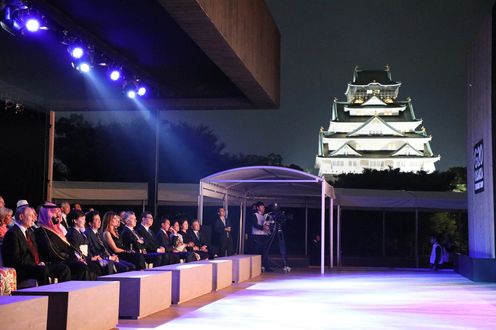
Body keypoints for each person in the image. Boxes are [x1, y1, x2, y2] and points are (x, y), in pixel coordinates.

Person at [2, 206, 71, 285]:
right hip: (22, 269)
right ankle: (45, 296)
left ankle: (62, 295)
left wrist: (41, 262)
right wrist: (35, 265)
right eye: (31, 216)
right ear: (21, 217)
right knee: (42, 270)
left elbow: (36, 252)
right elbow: (14, 260)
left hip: (35, 267)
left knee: (63, 268)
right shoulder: (12, 234)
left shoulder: (30, 232)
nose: (33, 218)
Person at [34, 202, 94, 280]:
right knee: (80, 267)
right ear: (47, 214)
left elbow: (69, 247)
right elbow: (52, 251)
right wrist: (72, 258)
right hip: (55, 261)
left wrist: (78, 257)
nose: (58, 216)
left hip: (65, 259)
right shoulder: (41, 231)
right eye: (54, 213)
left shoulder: (58, 230)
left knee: (87, 265)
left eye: (58, 213)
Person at [66, 210, 112, 276]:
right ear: (75, 220)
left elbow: (88, 249)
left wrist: (94, 257)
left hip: (86, 258)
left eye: (84, 219)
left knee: (103, 265)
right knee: (95, 268)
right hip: (79, 260)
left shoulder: (81, 233)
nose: (84, 221)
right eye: (82, 219)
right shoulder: (72, 234)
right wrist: (90, 258)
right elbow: (76, 251)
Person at [248, 201, 272, 272]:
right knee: (257, 252)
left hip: (264, 235)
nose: (263, 208)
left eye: (264, 207)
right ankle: (256, 268)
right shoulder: (254, 215)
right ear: (258, 208)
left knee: (265, 252)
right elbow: (255, 225)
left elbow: (267, 225)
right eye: (262, 207)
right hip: (257, 236)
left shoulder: (264, 216)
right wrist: (263, 227)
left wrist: (268, 227)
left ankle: (266, 267)